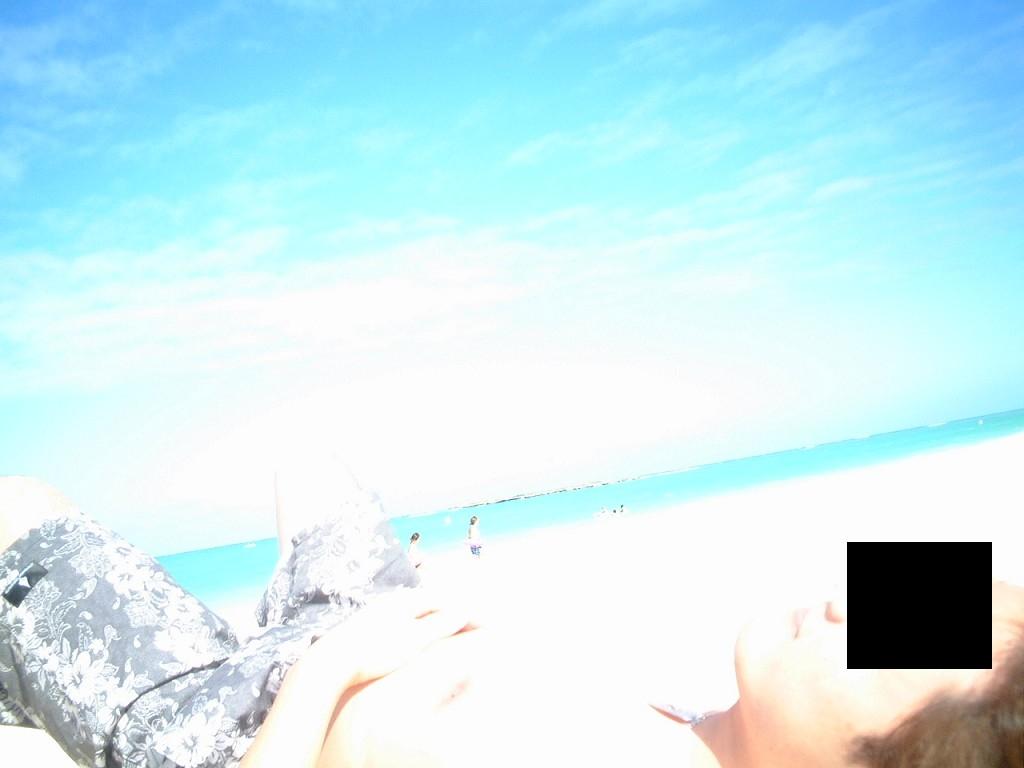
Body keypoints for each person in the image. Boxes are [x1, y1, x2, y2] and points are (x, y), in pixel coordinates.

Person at [2, 476, 1022, 768]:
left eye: (907, 636)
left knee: (19, 507)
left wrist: (327, 670)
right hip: (360, 625)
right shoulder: (714, 719)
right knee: (303, 461)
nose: (849, 596)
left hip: (236, 724)